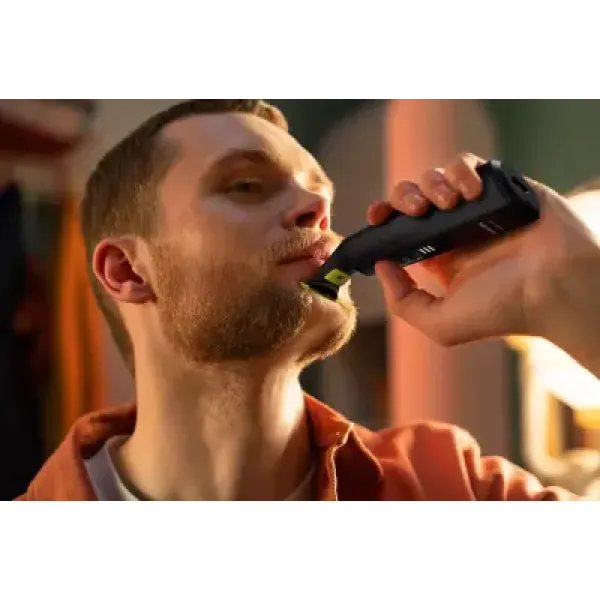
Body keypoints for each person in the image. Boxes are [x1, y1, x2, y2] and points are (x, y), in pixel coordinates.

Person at [15, 97, 600, 503]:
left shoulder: (456, 487)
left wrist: (583, 297)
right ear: (127, 272)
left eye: (321, 195)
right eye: (247, 185)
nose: (318, 210)